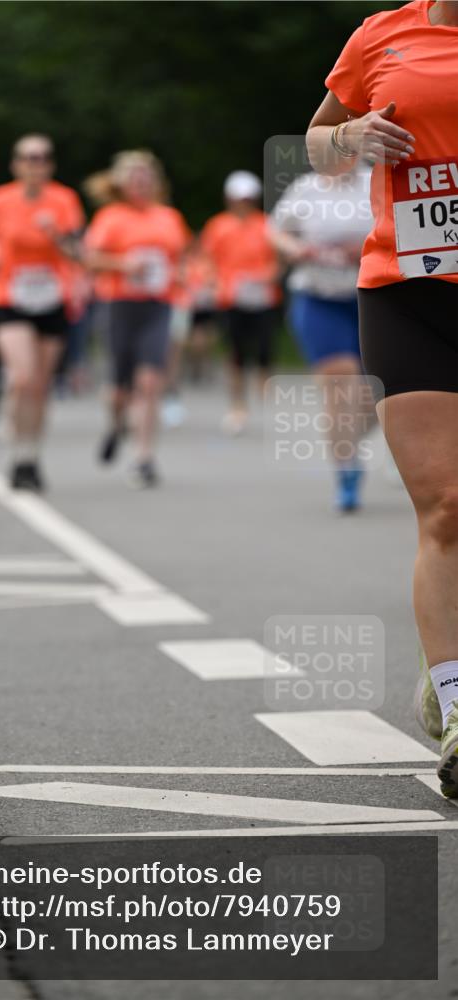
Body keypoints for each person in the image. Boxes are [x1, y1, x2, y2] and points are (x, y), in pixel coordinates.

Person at [306, 0, 458, 796]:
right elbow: (317, 139)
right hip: (410, 287)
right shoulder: (380, 32)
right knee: (444, 505)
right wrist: (351, 137)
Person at [0, 134, 85, 491]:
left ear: (51, 164)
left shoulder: (64, 200)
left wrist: (56, 234)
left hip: (51, 297)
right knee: (23, 376)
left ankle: (29, 457)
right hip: (8, 295)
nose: (35, 164)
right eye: (28, 157)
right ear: (15, 164)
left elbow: (77, 251)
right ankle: (16, 437)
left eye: (42, 158)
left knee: (39, 385)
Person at [84, 150, 192, 488]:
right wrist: (123, 266)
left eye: (146, 176)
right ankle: (117, 424)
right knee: (119, 389)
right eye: (134, 176)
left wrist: (181, 278)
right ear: (121, 183)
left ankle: (144, 458)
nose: (141, 182)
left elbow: (181, 258)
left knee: (149, 382)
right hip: (119, 305)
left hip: (158, 305)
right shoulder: (110, 217)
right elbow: (90, 259)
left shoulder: (169, 217)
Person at [271, 163, 375, 511]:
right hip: (317, 298)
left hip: (370, 298)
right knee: (340, 382)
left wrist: (365, 247)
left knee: (376, 394)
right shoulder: (305, 188)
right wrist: (295, 248)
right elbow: (274, 231)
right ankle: (345, 469)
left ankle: (349, 441)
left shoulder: (376, 182)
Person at [200, 171, 281, 435]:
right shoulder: (218, 226)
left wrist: (269, 275)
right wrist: (214, 283)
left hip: (262, 297)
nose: (242, 203)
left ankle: (266, 405)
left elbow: (279, 260)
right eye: (238, 199)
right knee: (235, 354)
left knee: (264, 354)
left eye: (247, 199)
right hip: (231, 298)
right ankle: (237, 406)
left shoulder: (267, 224)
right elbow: (207, 261)